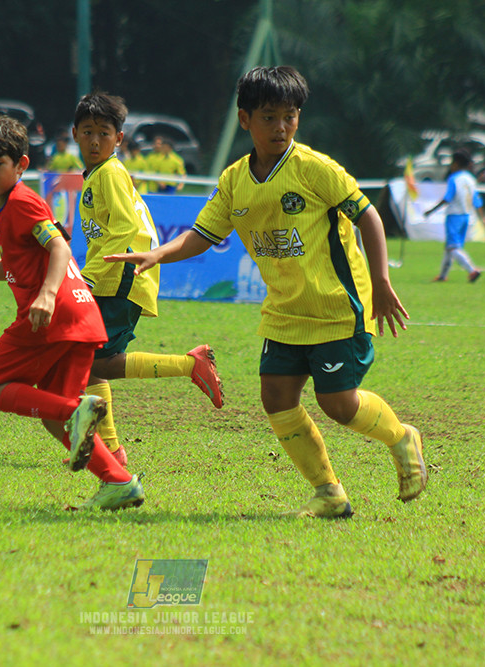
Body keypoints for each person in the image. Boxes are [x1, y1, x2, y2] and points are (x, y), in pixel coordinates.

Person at [105, 66, 427, 519]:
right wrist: (158, 254)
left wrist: (381, 281)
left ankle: (400, 437)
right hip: (284, 311)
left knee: (338, 404)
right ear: (245, 120)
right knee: (276, 397)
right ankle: (329, 492)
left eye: (290, 117)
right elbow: (202, 233)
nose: (280, 127)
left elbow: (369, 216)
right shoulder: (235, 179)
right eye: (269, 117)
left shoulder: (314, 169)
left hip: (337, 306)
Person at [0, 115, 144, 511]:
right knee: (53, 416)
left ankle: (79, 411)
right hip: (81, 315)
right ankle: (119, 482)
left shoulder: (22, 204)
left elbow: (58, 247)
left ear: (20, 165)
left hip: (52, 315)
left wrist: (45, 295)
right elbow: (12, 266)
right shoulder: (12, 207)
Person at [71, 92, 224, 467]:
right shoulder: (100, 175)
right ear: (74, 134)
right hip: (114, 278)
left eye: (103, 133)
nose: (94, 141)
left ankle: (191, 364)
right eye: (87, 132)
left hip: (119, 279)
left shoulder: (108, 173)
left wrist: (87, 278)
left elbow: (124, 226)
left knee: (95, 362)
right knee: (89, 360)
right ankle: (113, 451)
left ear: (119, 139)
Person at [424, 150, 485, 283]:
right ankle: (442, 275)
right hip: (466, 216)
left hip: (454, 215)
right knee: (450, 247)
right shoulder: (471, 179)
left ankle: (472, 270)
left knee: (453, 247)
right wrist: (483, 218)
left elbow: (447, 198)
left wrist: (431, 210)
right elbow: (476, 200)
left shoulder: (454, 178)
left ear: (456, 163)